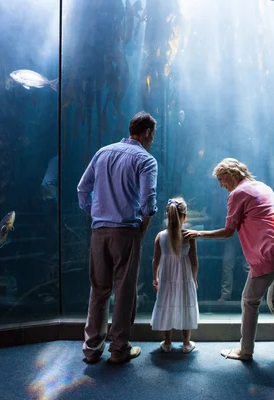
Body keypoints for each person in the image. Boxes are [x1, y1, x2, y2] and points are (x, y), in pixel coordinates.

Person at [184, 158, 274, 362]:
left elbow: (228, 232)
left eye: (222, 179)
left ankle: (245, 351)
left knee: (249, 301)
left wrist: (197, 233)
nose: (221, 185)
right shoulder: (262, 186)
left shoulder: (237, 194)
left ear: (232, 174)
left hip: (271, 250)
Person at [77, 111, 158, 364]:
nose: (152, 140)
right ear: (146, 132)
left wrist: (95, 213)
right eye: (152, 135)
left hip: (99, 231)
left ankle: (91, 349)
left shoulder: (102, 152)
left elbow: (82, 188)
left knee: (98, 291)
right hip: (126, 232)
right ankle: (119, 348)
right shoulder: (146, 160)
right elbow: (147, 201)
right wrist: (146, 218)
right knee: (124, 291)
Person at [151, 197, 199, 353]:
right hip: (185, 276)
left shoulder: (160, 236)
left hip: (167, 276)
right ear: (184, 216)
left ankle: (167, 342)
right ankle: (186, 343)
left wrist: (155, 278)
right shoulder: (188, 237)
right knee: (185, 304)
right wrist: (194, 278)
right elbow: (194, 261)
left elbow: (155, 261)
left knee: (167, 305)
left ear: (167, 215)